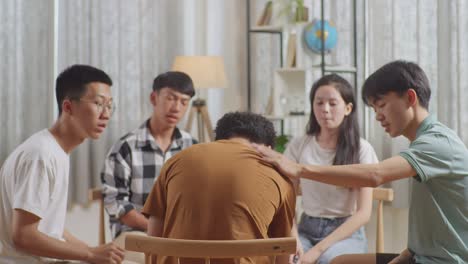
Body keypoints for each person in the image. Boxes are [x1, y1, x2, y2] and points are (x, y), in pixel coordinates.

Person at [253, 60, 468, 264]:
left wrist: (299, 169)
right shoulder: (422, 142)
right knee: (340, 262)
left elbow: (375, 175)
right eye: (374, 109)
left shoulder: (437, 143)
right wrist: (405, 255)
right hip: (417, 256)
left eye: (381, 105)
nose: (378, 116)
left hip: (446, 261)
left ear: (411, 98)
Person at [0, 65, 125, 264]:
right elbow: (23, 236)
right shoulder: (40, 155)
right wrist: (90, 255)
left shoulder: (56, 151)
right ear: (68, 107)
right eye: (98, 104)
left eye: (110, 105)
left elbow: (50, 227)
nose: (106, 114)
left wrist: (92, 250)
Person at [142, 111, 296, 264]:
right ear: (268, 149)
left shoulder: (175, 161)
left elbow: (154, 237)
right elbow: (283, 251)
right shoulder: (279, 176)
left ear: (219, 139)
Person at [101, 71, 197, 262]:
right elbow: (119, 206)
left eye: (184, 102)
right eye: (171, 98)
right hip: (136, 235)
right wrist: (161, 231)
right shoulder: (125, 147)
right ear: (154, 98)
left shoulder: (193, 148)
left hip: (181, 237)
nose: (176, 107)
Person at [286, 74, 377, 264]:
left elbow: (364, 213)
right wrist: (293, 238)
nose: (325, 109)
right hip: (306, 228)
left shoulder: (362, 149)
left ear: (348, 108)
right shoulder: (299, 145)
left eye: (333, 103)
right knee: (290, 260)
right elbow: (287, 203)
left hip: (346, 233)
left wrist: (317, 251)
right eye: (319, 103)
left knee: (327, 261)